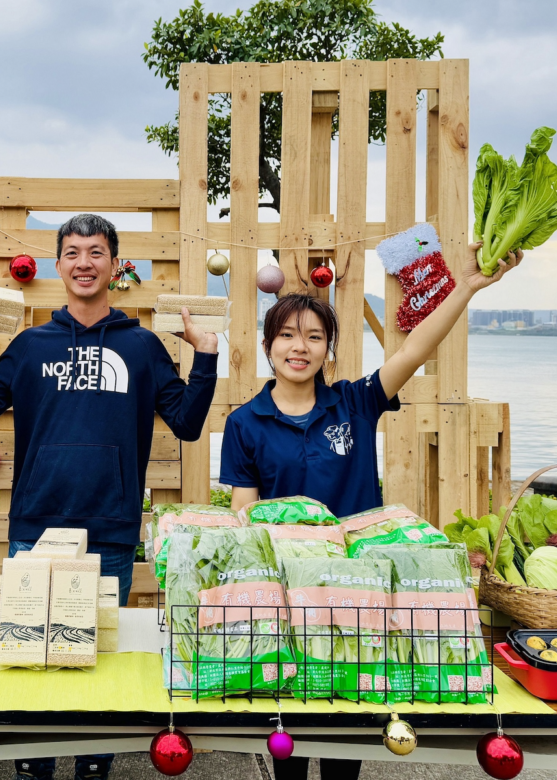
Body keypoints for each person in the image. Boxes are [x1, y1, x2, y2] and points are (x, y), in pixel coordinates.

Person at [220, 242, 524, 780]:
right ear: (269, 347)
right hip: (290, 593)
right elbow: (245, 515)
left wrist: (468, 287)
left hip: (360, 591)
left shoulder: (355, 402)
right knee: (290, 731)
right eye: (287, 336)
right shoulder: (246, 422)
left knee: (348, 736)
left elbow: (413, 351)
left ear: (328, 351)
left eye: (314, 337)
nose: (300, 347)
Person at [0, 214, 218, 780]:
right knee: (29, 653)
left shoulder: (144, 347)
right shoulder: (30, 346)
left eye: (96, 252)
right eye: (72, 253)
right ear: (58, 266)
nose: (84, 263)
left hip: (112, 525)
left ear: (115, 264)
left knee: (94, 653)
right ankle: (34, 765)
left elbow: (189, 424)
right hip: (35, 525)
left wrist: (207, 354)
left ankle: (94, 764)